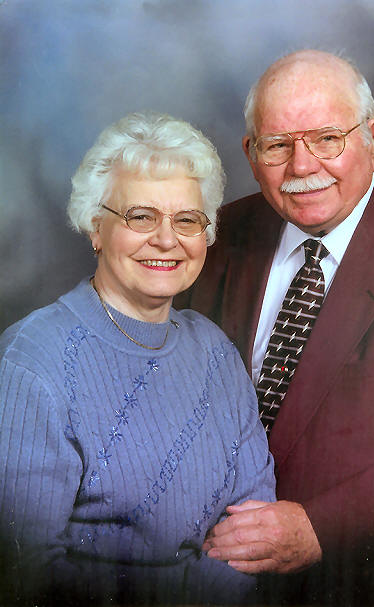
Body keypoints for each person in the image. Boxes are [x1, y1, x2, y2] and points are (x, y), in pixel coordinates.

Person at [175, 51, 374, 605]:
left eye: (327, 139)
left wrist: (317, 529)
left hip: (369, 583)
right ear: (251, 155)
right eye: (278, 145)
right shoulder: (221, 235)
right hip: (207, 572)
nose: (301, 166)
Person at [0, 111, 275, 606]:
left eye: (187, 220)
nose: (167, 240)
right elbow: (27, 573)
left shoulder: (216, 352)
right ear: (95, 228)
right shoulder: (34, 360)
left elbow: (252, 533)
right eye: (141, 217)